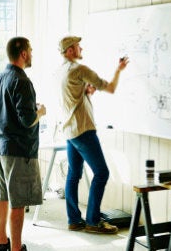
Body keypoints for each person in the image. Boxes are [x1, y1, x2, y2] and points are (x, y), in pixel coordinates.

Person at [57, 35, 129, 234]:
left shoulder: (61, 71)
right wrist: (118, 70)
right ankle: (93, 221)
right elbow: (111, 88)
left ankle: (74, 219)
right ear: (70, 50)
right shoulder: (80, 69)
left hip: (70, 130)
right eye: (78, 46)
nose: (82, 48)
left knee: (73, 174)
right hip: (83, 130)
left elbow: (73, 95)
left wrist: (85, 92)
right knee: (102, 173)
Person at [0, 36, 46, 251]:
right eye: (30, 50)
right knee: (19, 203)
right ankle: (16, 248)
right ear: (23, 53)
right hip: (19, 151)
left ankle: (1, 243)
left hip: (0, 146)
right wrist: (40, 112)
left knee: (2, 197)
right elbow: (27, 120)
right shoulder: (22, 81)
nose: (31, 54)